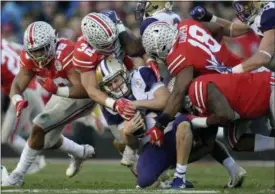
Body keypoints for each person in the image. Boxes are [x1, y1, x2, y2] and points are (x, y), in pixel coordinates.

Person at [96, 56, 245, 189]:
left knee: (187, 126)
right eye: (109, 84)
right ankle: (167, 174)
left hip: (171, 124)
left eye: (116, 80)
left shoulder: (141, 75)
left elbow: (165, 100)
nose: (114, 86)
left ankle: (182, 177)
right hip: (152, 143)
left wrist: (136, 104)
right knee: (145, 181)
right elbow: (132, 145)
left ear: (124, 72)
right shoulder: (109, 105)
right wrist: (128, 132)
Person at [2, 21, 95, 187]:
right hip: (61, 92)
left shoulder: (66, 52)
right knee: (47, 141)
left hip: (83, 96)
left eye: (41, 49)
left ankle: (17, 175)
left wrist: (57, 90)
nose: (38, 55)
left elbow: (85, 89)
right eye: (33, 51)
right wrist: (17, 100)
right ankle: (80, 152)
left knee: (39, 125)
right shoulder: (29, 57)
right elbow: (17, 85)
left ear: (53, 42)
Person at [187, 71, 275, 152]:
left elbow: (226, 115)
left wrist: (199, 121)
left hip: (269, 87)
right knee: (234, 141)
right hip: (254, 104)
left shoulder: (197, 87)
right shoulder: (197, 109)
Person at [1, 38, 46, 174]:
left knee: (8, 136)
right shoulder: (3, 42)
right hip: (31, 86)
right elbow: (21, 48)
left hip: (21, 93)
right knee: (46, 128)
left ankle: (36, 160)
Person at [190, 1, 275, 73]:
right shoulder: (263, 13)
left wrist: (231, 71)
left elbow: (263, 57)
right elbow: (232, 28)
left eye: (245, 3)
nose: (243, 9)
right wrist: (209, 17)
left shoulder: (270, 14)